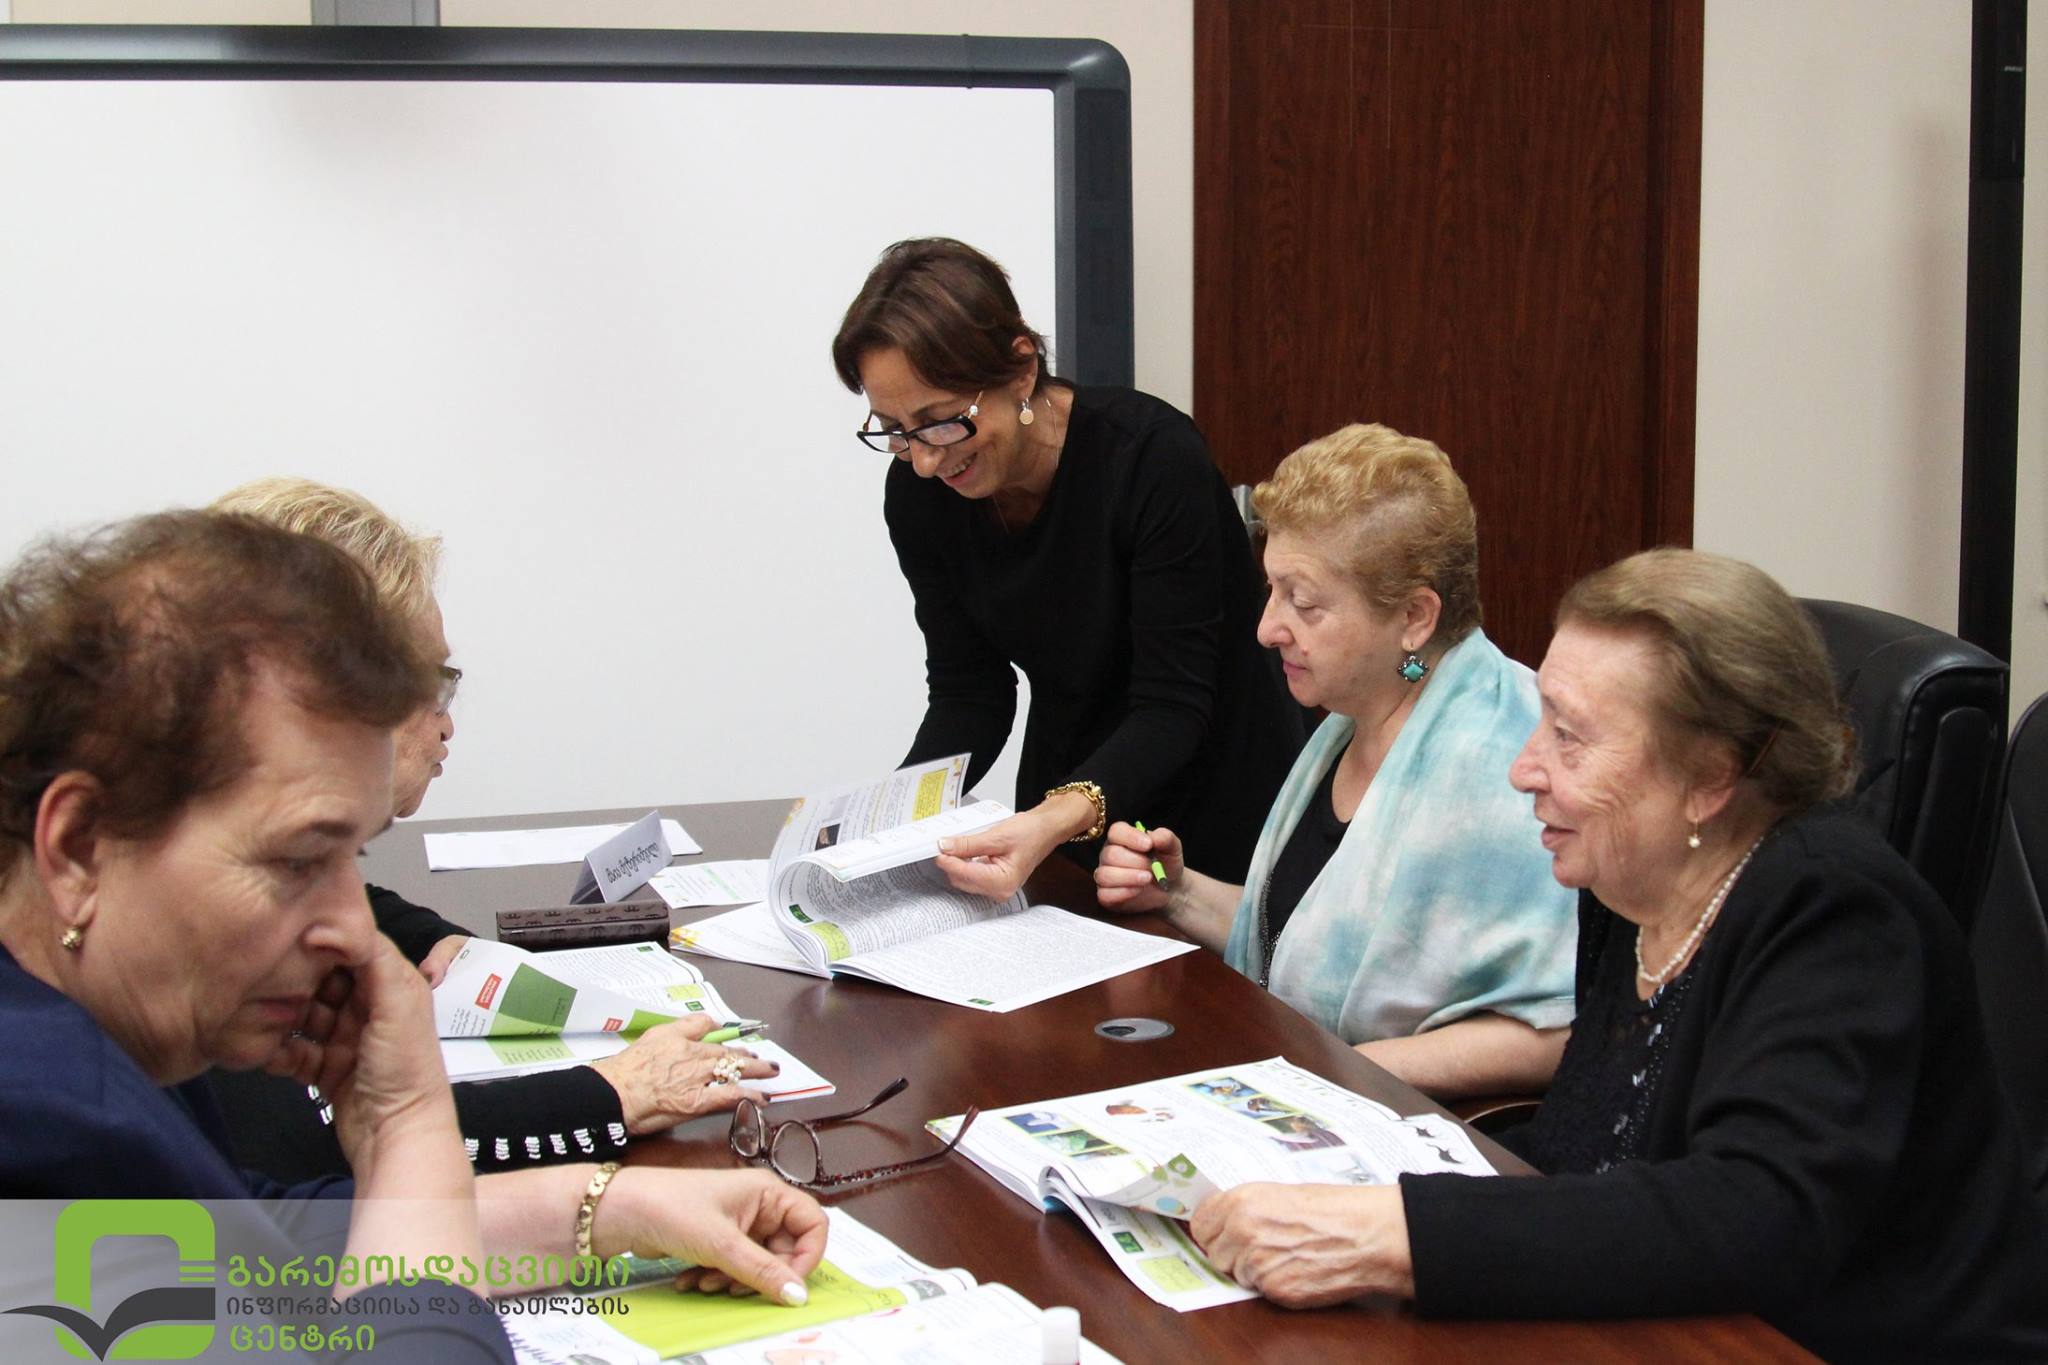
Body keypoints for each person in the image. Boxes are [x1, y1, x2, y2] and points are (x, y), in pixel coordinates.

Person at [1189, 549, 2048, 1361]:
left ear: (1711, 774)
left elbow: (1755, 1213)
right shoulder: (1632, 883)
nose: (1525, 769)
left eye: (1570, 736)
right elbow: (1588, 1147)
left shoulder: (1838, 912)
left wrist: (1395, 1235)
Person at [0, 512, 827, 1345]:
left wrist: (605, 1209)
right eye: (298, 860)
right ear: (78, 846)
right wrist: (407, 1126)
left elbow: (234, 1246)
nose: (353, 927)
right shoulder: (42, 1122)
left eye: (353, 858)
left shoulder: (89, 1025)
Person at [203, 478, 776, 1181]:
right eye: (432, 684)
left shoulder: (237, 850)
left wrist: (432, 940)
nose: (447, 724)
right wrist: (609, 1095)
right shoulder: (204, 924)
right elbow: (308, 1160)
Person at [1094, 424, 1576, 1098]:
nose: (1267, 628)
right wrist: (1178, 894)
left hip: (1408, 1128)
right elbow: (1312, 947)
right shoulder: (1360, 715)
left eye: (1304, 602)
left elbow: (1557, 1029)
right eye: (1271, 590)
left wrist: (1333, 1072)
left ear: (1414, 617)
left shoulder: (1504, 764)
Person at [833, 237, 1303, 897]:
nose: (927, 460)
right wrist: (887, 823)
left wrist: (1053, 818)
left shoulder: (1150, 460)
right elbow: (971, 694)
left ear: (1022, 369)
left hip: (1215, 803)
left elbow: (1172, 705)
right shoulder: (920, 497)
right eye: (895, 429)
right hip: (1064, 808)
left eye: (941, 422)